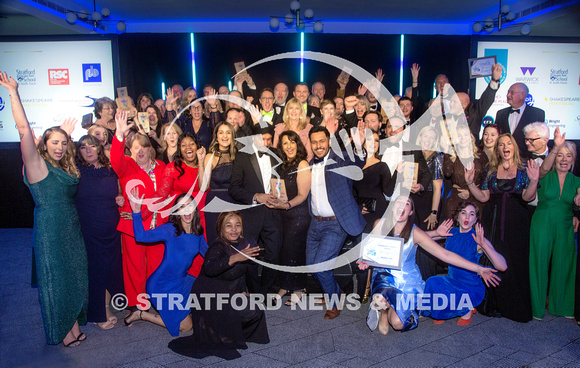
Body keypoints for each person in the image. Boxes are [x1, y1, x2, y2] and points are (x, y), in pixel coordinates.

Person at [0, 72, 88, 347]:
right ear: (43, 145)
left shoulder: (63, 164)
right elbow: (24, 129)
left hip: (71, 228)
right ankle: (61, 331)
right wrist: (14, 93)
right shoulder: (37, 165)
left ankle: (72, 323)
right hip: (50, 231)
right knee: (57, 280)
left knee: (73, 275)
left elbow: (63, 150)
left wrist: (64, 133)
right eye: (55, 143)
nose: (60, 147)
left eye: (64, 143)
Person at [358, 196, 501, 335]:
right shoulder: (380, 224)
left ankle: (395, 309)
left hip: (406, 281)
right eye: (398, 202)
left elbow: (445, 255)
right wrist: (364, 259)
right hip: (385, 276)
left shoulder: (415, 232)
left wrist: (480, 269)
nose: (402, 206)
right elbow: (370, 248)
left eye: (406, 203)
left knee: (397, 324)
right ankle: (383, 313)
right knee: (379, 301)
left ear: (411, 211)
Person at [168, 211, 269, 360]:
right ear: (221, 229)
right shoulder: (218, 246)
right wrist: (235, 258)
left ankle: (229, 331)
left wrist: (242, 291)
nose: (233, 229)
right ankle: (218, 329)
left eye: (237, 225)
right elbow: (209, 269)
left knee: (255, 311)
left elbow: (243, 271)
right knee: (233, 314)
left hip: (228, 289)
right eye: (228, 226)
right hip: (208, 292)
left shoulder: (245, 243)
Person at [465, 133, 539, 322]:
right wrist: (470, 183)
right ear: (497, 149)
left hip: (517, 222)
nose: (505, 147)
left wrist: (533, 181)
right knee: (494, 257)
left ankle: (515, 307)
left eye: (509, 144)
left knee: (516, 261)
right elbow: (483, 197)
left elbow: (527, 197)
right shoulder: (491, 170)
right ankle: (495, 304)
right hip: (494, 220)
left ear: (514, 147)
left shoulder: (523, 169)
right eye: (501, 144)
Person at [125, 191, 208, 336]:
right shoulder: (171, 230)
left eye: (190, 206)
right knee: (186, 326)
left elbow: (209, 256)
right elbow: (141, 236)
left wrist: (232, 255)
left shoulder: (197, 233)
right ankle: (141, 314)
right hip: (161, 286)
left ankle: (174, 313)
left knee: (202, 289)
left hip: (181, 282)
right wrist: (137, 213)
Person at [307, 126, 367, 320]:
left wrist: (358, 146)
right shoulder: (309, 164)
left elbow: (358, 162)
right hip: (315, 223)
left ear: (328, 141)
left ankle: (335, 300)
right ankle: (331, 291)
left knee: (321, 266)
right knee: (311, 266)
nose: (318, 145)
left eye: (321, 141)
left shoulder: (340, 158)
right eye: (314, 142)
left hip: (335, 225)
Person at [111, 111, 166, 313]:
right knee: (134, 267)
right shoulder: (127, 167)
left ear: (151, 149)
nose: (141, 151)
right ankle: (137, 304)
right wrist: (119, 134)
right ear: (130, 151)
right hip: (132, 225)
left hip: (158, 226)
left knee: (157, 265)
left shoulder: (161, 167)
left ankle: (158, 300)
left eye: (145, 147)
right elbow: (115, 160)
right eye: (136, 148)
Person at [421, 202, 507, 325]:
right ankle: (447, 309)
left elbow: (502, 266)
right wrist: (437, 233)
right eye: (463, 213)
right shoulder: (451, 232)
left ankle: (467, 308)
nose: (467, 218)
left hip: (469, 287)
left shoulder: (477, 238)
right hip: (451, 281)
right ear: (457, 216)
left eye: (471, 214)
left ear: (475, 220)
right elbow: (418, 239)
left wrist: (483, 245)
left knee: (449, 299)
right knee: (432, 282)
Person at [530, 128, 580, 320]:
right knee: (538, 263)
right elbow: (542, 169)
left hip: (566, 225)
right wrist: (556, 146)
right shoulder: (543, 175)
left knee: (565, 264)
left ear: (573, 160)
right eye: (560, 155)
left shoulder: (577, 180)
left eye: (568, 156)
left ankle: (563, 306)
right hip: (542, 223)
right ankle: (537, 308)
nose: (564, 159)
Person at [75, 135, 124, 330]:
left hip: (112, 228)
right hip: (89, 230)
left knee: (111, 266)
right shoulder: (76, 172)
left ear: (99, 148)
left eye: (92, 146)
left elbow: (118, 192)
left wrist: (120, 197)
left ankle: (107, 304)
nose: (88, 150)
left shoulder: (110, 170)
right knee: (97, 269)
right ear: (78, 152)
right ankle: (99, 312)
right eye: (83, 147)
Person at [229, 123, 281, 294]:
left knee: (274, 253)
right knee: (250, 254)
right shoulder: (243, 157)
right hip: (251, 213)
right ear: (253, 139)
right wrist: (256, 196)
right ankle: (254, 292)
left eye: (268, 139)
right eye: (262, 139)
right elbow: (234, 188)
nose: (265, 143)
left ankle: (265, 290)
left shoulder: (275, 156)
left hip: (273, 212)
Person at [267, 131, 311, 305]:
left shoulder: (303, 163)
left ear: (297, 144)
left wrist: (286, 205)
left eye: (292, 142)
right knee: (283, 251)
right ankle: (285, 286)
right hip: (282, 214)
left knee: (294, 251)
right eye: (285, 143)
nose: (289, 146)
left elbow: (302, 195)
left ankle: (299, 288)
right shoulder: (281, 166)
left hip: (298, 214)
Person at [199, 122, 237, 245]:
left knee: (233, 241)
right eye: (221, 132)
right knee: (216, 242)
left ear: (232, 135)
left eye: (228, 132)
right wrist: (200, 161)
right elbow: (204, 187)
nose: (224, 136)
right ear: (216, 136)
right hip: (215, 202)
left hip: (234, 202)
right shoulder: (211, 157)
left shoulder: (238, 156)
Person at [442, 125, 489, 220]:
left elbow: (486, 179)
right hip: (457, 196)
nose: (463, 138)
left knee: (473, 233)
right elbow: (447, 173)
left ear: (471, 137)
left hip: (476, 197)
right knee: (452, 232)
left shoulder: (481, 155)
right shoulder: (451, 155)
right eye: (459, 136)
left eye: (465, 135)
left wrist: (471, 193)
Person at [495, 83, 545, 159]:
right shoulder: (500, 114)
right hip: (503, 161)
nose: (508, 95)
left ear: (522, 95)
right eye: (508, 92)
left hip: (527, 162)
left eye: (512, 92)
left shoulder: (537, 114)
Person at [273, 97, 314, 161]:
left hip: (303, 165)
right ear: (287, 111)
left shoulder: (308, 129)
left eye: (297, 108)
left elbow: (310, 154)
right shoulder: (279, 128)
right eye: (291, 108)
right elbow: (275, 152)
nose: (294, 111)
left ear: (301, 111)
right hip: (284, 165)